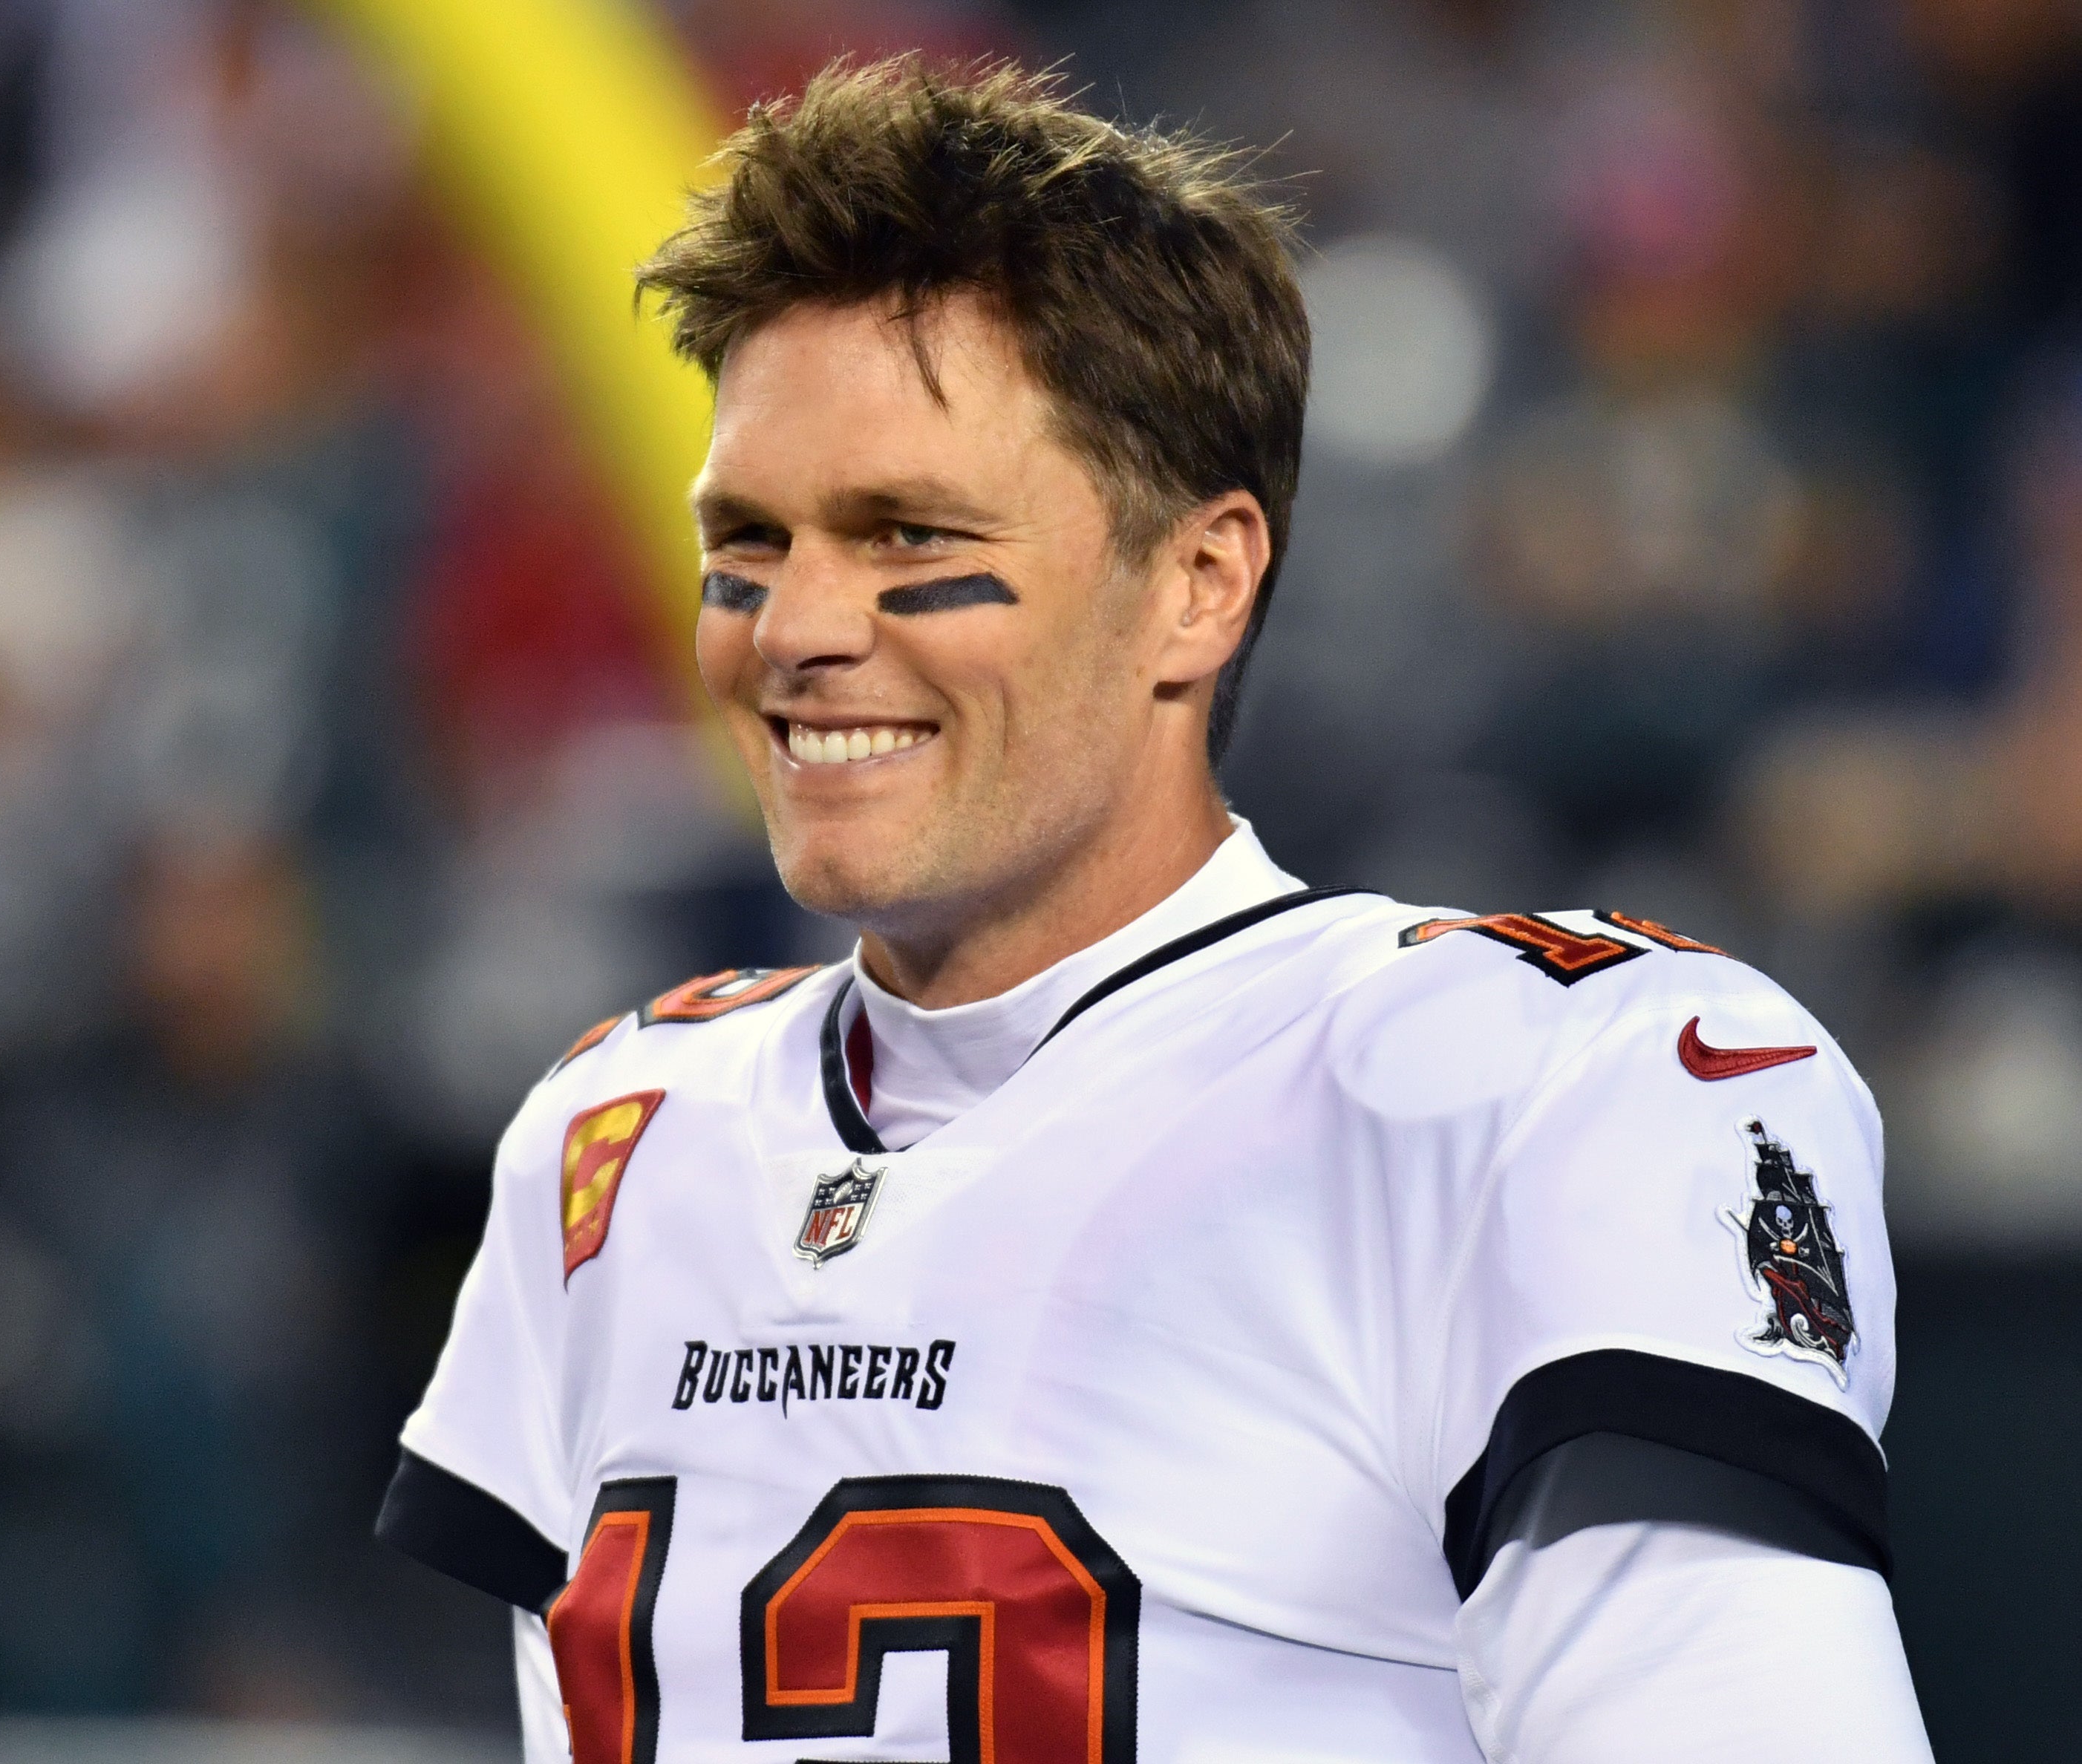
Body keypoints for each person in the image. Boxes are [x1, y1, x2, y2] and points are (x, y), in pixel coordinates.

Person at [378, 58, 1933, 1763]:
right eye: (747, 541)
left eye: (909, 536)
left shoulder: (1524, 1086)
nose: (796, 628)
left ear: (1198, 585)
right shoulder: (619, 1139)